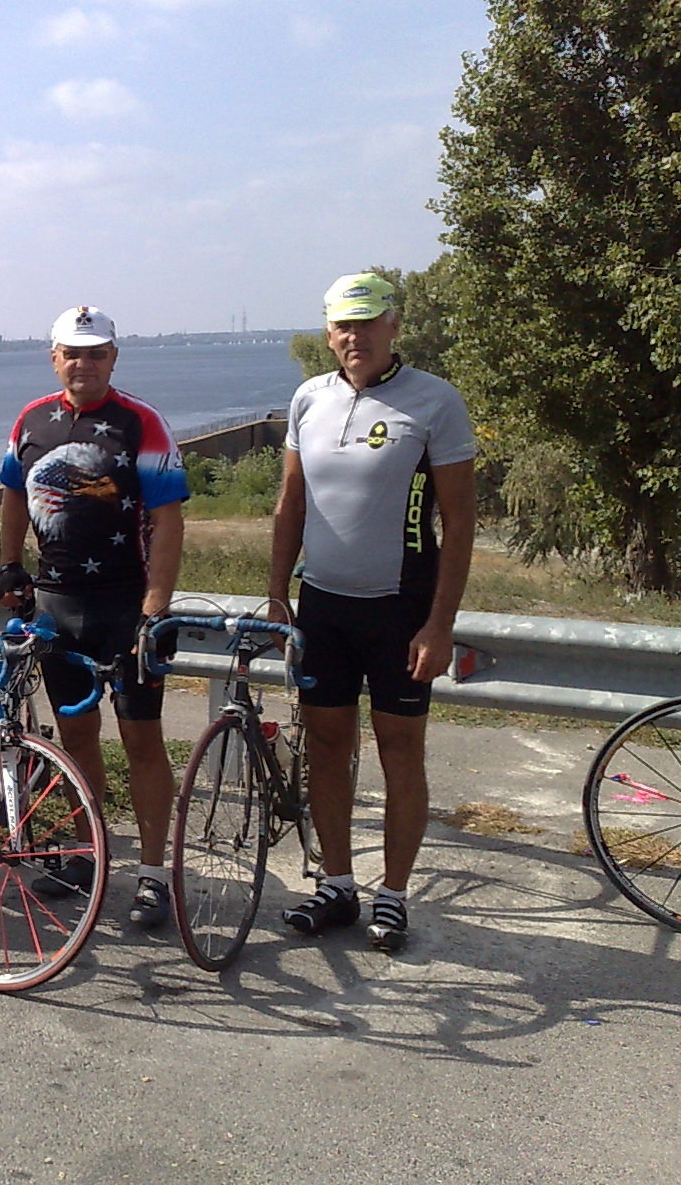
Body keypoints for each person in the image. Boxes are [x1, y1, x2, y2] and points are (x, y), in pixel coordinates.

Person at [268, 272, 476, 952]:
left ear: (392, 325)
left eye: (367, 323)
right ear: (329, 332)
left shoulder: (434, 401)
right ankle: (337, 884)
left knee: (399, 751)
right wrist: (277, 594)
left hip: (401, 611)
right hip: (323, 608)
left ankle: (394, 894)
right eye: (342, 326)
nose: (354, 337)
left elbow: (460, 521)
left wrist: (439, 624)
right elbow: (291, 503)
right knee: (327, 747)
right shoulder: (309, 398)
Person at [0, 306, 188, 929]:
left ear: (113, 357)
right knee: (75, 737)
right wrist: (9, 564)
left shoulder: (141, 422)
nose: (84, 363)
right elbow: (13, 493)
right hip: (57, 605)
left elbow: (169, 519)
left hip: (126, 606)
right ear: (54, 357)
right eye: (72, 353)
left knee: (141, 741)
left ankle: (154, 874)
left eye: (96, 353)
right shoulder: (30, 419)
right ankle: (88, 852)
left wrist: (154, 606)